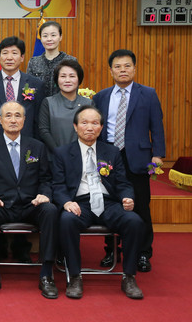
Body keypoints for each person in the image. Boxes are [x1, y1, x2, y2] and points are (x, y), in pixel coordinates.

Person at [53, 106, 145, 299]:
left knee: (134, 221)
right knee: (66, 220)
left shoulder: (112, 152)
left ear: (101, 127)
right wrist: (66, 202)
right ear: (75, 126)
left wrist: (127, 197)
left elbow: (123, 182)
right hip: (80, 203)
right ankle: (75, 276)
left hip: (108, 203)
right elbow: (58, 185)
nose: (89, 127)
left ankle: (129, 276)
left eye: (95, 123)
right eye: (84, 123)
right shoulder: (62, 153)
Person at [93, 49, 165, 272]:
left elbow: (157, 126)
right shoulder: (101, 96)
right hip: (109, 158)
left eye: (127, 66)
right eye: (117, 66)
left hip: (139, 158)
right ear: (111, 70)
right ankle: (112, 251)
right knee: (110, 205)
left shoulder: (148, 94)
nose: (122, 70)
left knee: (141, 206)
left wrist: (157, 155)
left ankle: (143, 253)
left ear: (134, 68)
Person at [0, 101, 58, 298]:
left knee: (50, 210)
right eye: (8, 116)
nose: (13, 120)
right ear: (0, 120)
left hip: (31, 204)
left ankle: (46, 274)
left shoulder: (37, 147)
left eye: (17, 115)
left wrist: (44, 194)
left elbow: (46, 179)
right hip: (3, 204)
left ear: (24, 120)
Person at [0, 36, 45, 142]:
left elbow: (38, 121)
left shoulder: (36, 84)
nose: (9, 58)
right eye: (5, 53)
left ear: (22, 57)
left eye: (14, 53)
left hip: (26, 142)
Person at [38, 59, 93, 154]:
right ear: (57, 79)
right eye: (63, 76)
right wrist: (59, 152)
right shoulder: (48, 102)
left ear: (79, 79)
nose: (67, 80)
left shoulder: (88, 104)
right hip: (54, 155)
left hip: (82, 155)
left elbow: (92, 130)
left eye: (72, 76)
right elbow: (44, 131)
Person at [26, 21, 77, 97]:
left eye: (53, 35)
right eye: (45, 36)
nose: (49, 39)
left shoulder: (71, 61)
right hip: (39, 104)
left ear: (60, 37)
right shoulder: (33, 62)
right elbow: (29, 89)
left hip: (63, 104)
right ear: (41, 38)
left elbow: (74, 90)